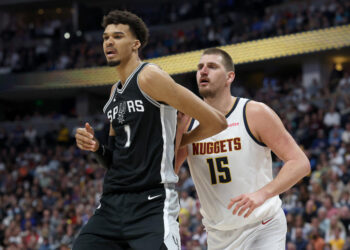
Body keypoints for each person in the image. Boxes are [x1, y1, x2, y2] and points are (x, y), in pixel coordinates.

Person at [73, 10, 227, 250]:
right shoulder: (115, 92)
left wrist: (181, 140)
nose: (108, 42)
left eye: (117, 36)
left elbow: (217, 122)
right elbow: (113, 158)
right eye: (105, 38)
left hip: (151, 203)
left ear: (135, 44)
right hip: (112, 204)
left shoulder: (150, 77)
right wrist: (96, 147)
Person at [176, 48, 310, 250]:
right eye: (200, 67)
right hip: (218, 233)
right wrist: (178, 133)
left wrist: (262, 194)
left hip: (262, 225)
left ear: (230, 76)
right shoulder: (187, 121)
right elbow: (169, 171)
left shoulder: (254, 113)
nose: (203, 71)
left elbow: (300, 163)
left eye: (212, 67)